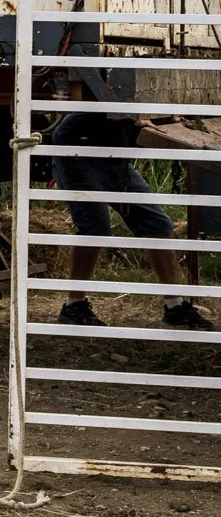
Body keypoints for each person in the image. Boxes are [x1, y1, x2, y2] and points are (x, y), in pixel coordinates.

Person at [46, 20, 209, 330]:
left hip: (114, 155)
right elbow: (141, 120)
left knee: (157, 224)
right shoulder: (137, 75)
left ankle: (175, 307)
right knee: (93, 226)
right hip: (80, 147)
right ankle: (74, 306)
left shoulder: (165, 81)